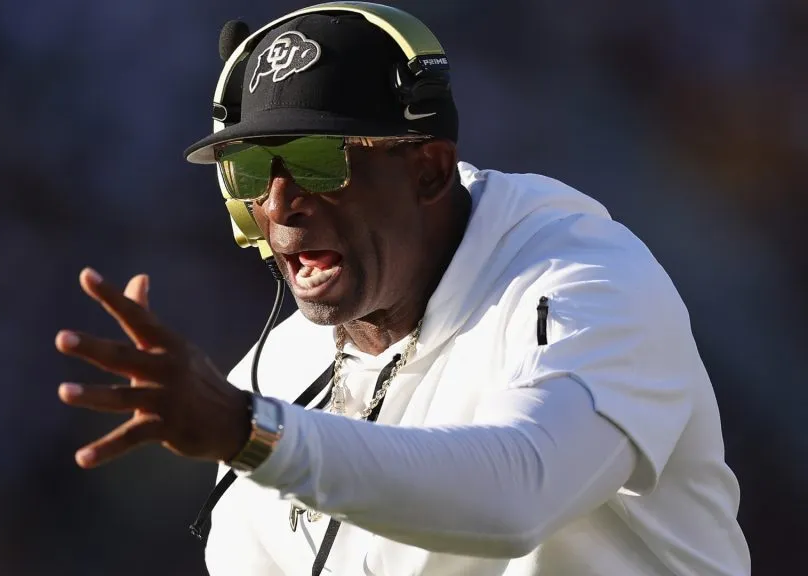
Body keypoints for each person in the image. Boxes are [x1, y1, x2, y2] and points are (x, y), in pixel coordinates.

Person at [54, 4, 750, 575]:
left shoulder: (589, 279)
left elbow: (520, 494)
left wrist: (252, 434)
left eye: (317, 160)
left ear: (429, 170)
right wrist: (252, 428)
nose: (280, 203)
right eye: (249, 171)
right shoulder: (273, 375)